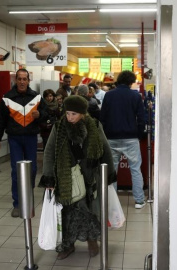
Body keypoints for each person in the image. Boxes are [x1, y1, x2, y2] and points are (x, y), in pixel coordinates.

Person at [39, 95, 116, 260]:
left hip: (90, 176)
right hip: (67, 176)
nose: (70, 117)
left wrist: (109, 173)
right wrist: (49, 178)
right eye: (67, 113)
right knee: (68, 211)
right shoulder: (59, 127)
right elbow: (49, 151)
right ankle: (68, 245)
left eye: (74, 114)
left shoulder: (94, 125)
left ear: (83, 113)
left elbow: (105, 149)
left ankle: (92, 239)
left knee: (90, 209)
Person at [0, 68, 47, 217]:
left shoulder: (36, 98)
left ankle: (27, 199)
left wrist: (40, 114)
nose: (22, 82)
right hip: (14, 139)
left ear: (28, 81)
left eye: (25, 79)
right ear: (16, 80)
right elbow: (0, 121)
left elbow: (47, 115)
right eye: (19, 79)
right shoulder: (7, 98)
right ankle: (17, 203)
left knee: (32, 170)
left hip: (30, 138)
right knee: (16, 171)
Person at [100, 70, 146, 209]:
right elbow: (141, 118)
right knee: (135, 169)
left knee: (112, 171)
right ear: (131, 82)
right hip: (131, 137)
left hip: (111, 138)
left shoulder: (108, 95)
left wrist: (105, 134)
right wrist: (138, 133)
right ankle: (139, 200)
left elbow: (103, 118)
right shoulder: (135, 96)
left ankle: (113, 202)